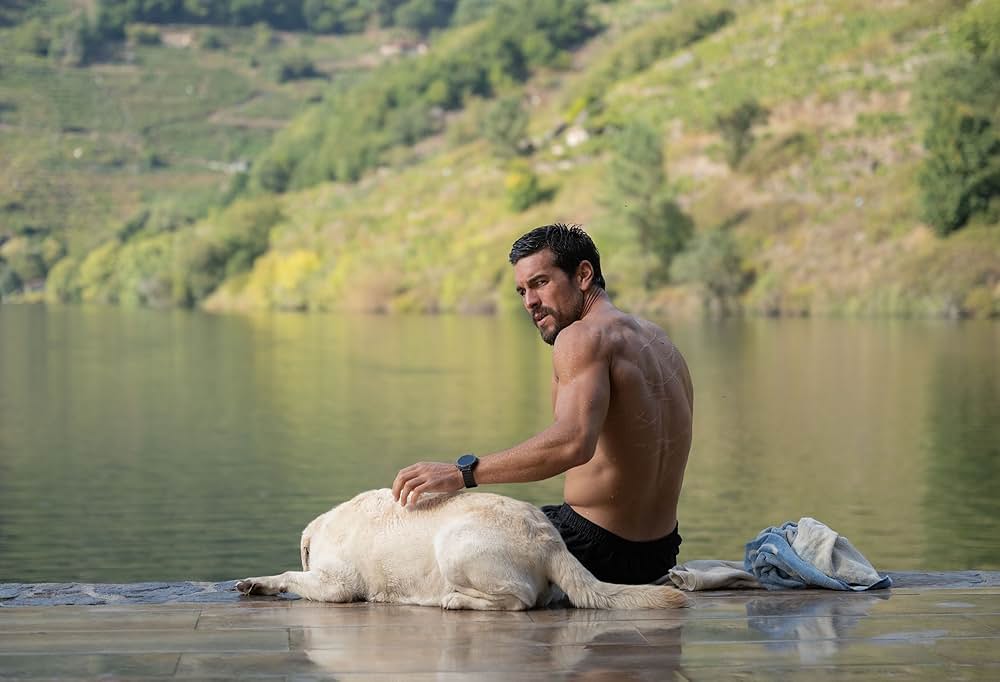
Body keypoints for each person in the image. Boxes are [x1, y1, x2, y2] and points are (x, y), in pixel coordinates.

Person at [392, 223, 694, 585]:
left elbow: (573, 442)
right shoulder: (659, 341)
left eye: (540, 283)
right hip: (659, 553)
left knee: (427, 544)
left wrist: (462, 473)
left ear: (583, 274)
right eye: (522, 291)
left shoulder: (581, 337)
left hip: (590, 548)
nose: (530, 302)